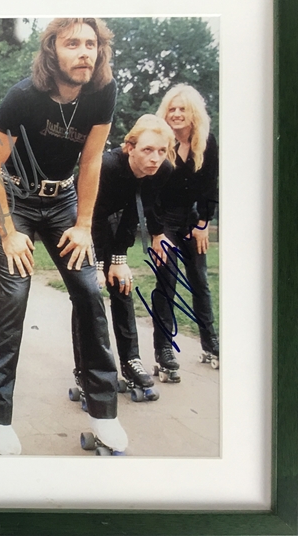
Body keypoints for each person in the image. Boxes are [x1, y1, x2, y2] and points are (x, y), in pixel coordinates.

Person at [0, 17, 126, 454]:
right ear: (51, 51)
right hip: (17, 202)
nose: (84, 51)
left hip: (62, 203)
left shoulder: (103, 91)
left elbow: (93, 160)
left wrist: (83, 225)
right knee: (14, 298)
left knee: (88, 290)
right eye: (72, 43)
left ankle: (103, 412)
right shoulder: (24, 97)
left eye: (92, 43)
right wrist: (7, 233)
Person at [90, 114, 175, 397]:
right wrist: (99, 264)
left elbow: (132, 214)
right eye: (148, 150)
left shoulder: (162, 171)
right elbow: (95, 216)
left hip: (114, 221)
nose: (155, 158)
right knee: (89, 291)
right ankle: (90, 367)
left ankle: (131, 360)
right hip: (81, 221)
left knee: (122, 286)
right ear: (130, 147)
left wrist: (119, 260)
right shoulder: (108, 166)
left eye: (162, 151)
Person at [149, 84, 220, 376]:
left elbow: (210, 187)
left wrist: (204, 224)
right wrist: (156, 234)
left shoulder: (207, 142)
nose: (177, 114)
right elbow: (149, 194)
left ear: (194, 113)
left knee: (199, 281)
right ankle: (163, 350)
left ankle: (210, 342)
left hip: (192, 218)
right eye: (172, 109)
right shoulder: (159, 143)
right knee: (167, 283)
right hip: (163, 218)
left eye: (182, 109)